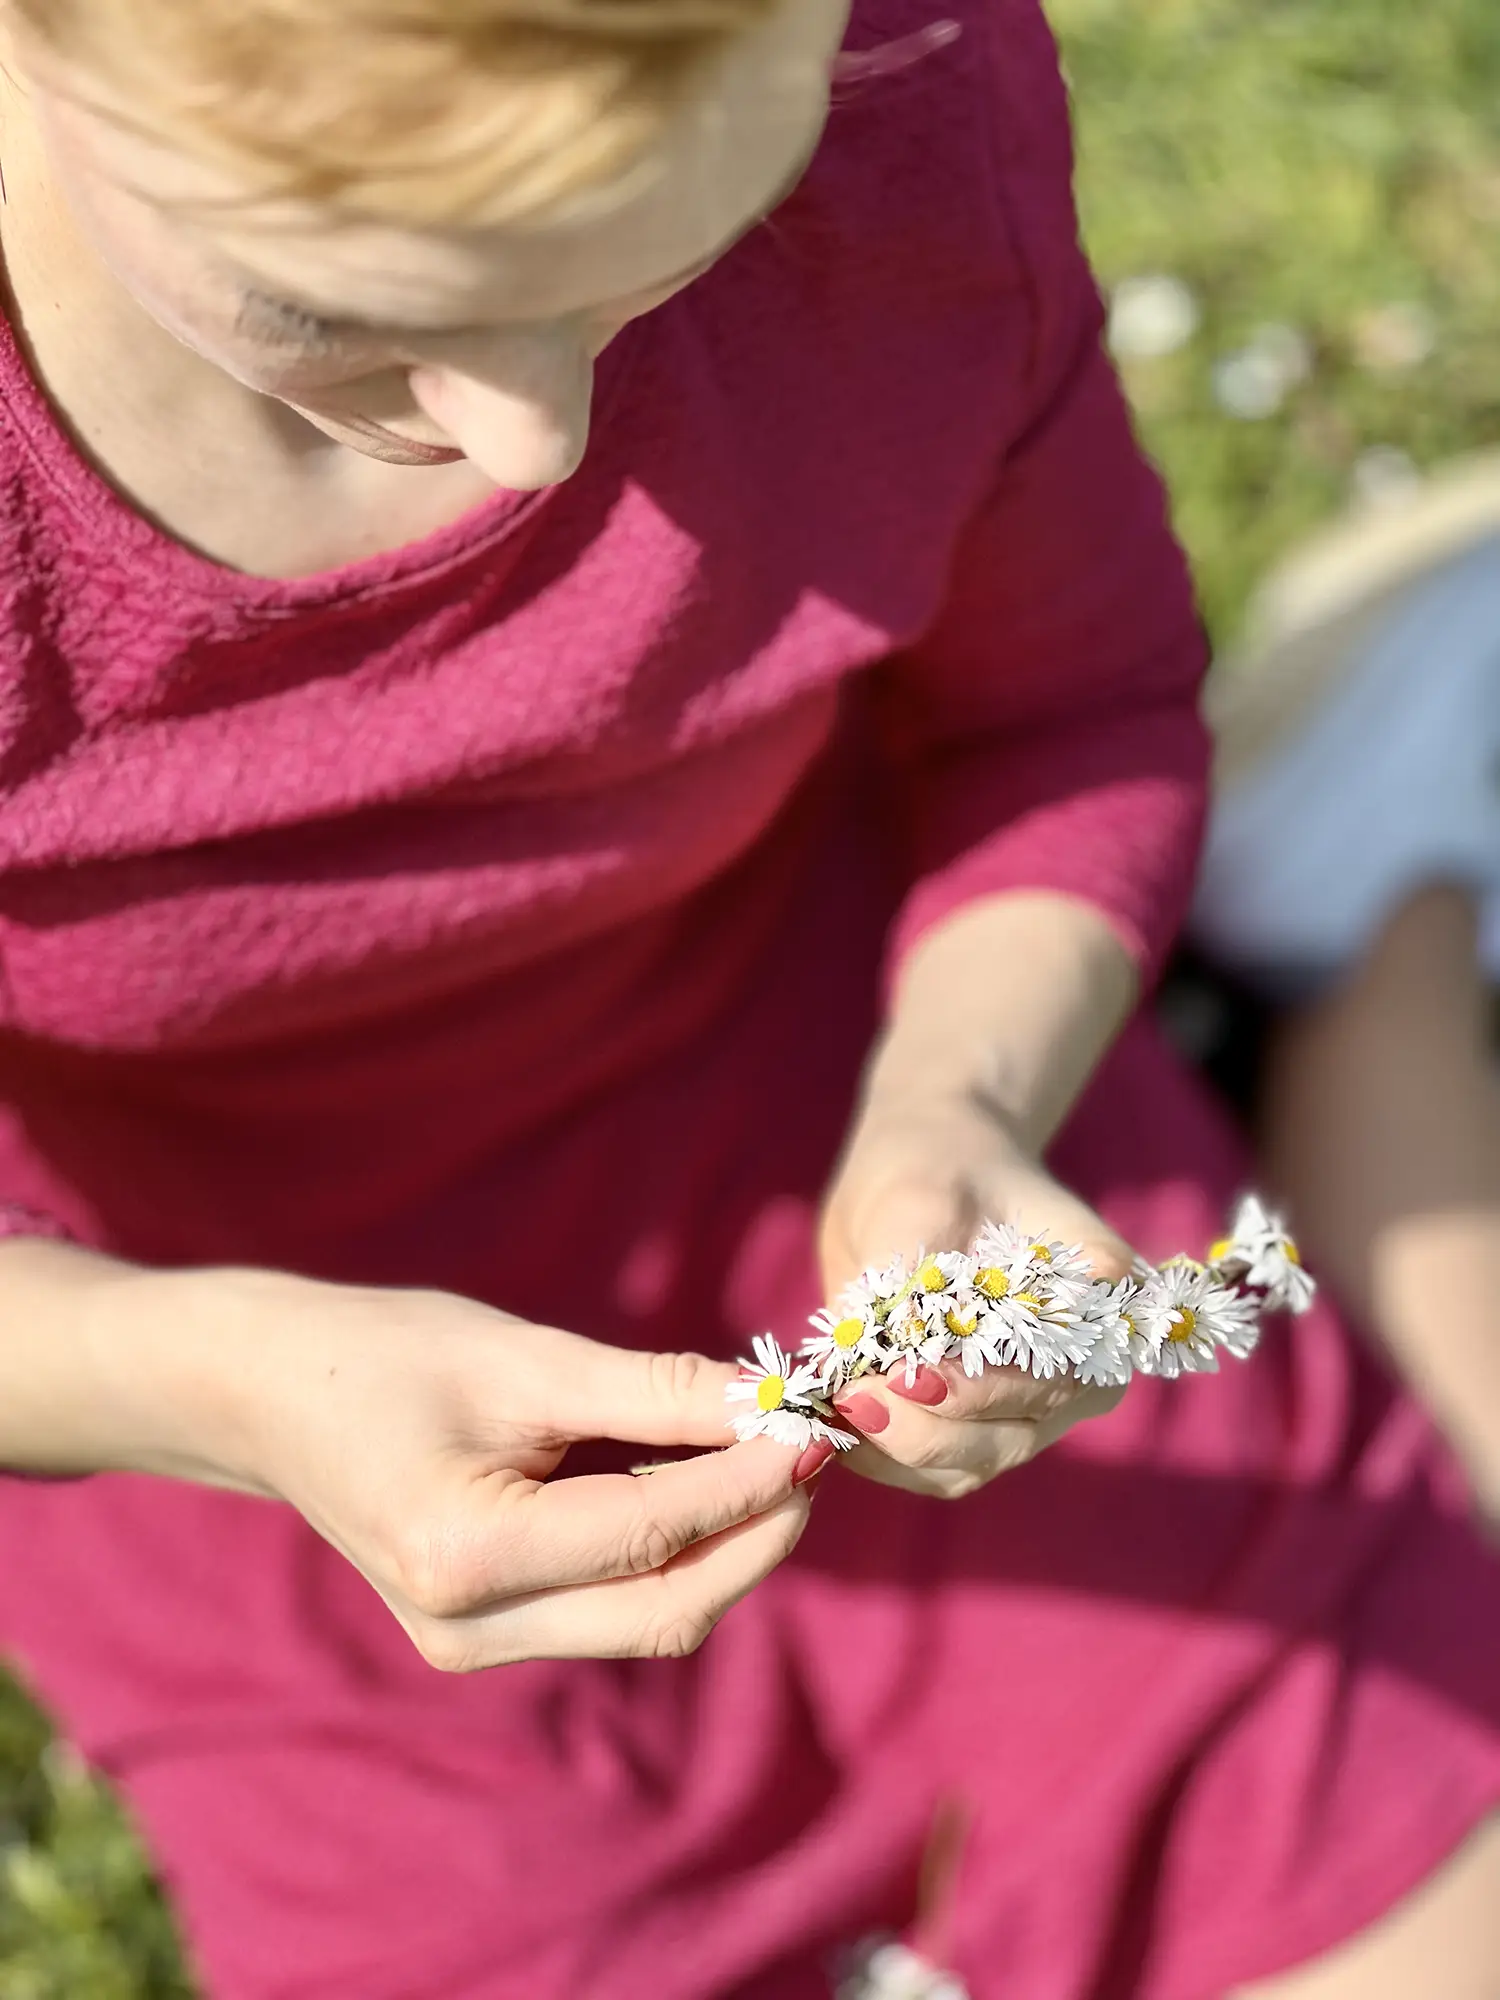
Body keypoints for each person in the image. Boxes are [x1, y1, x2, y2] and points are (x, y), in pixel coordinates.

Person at [0, 1, 1491, 1995]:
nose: (536, 438)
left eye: (666, 250)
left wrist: (961, 1101)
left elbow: (1066, 708)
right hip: (237, 1424)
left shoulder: (902, 83)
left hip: (845, 1101)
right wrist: (222, 1390)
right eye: (320, 303)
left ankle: (1360, 970)